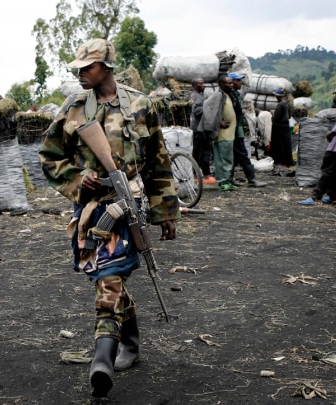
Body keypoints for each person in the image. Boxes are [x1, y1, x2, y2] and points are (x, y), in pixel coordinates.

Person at [38, 38, 179, 398]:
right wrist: (76, 177)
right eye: (79, 68)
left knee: (109, 279)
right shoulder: (73, 108)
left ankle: (103, 357)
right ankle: (128, 339)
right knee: (106, 277)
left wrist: (166, 213)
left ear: (107, 67)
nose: (81, 73)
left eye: (89, 67)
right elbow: (49, 156)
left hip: (127, 208)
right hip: (90, 211)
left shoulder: (140, 105)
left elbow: (159, 162)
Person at [198, 75, 237, 191]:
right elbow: (207, 108)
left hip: (229, 133)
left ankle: (227, 180)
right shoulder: (218, 95)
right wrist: (219, 122)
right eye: (228, 83)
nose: (231, 85)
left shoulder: (227, 95)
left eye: (231, 83)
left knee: (227, 158)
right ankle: (223, 181)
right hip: (223, 134)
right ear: (221, 84)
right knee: (223, 159)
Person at [228, 73, 266, 187]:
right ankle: (251, 179)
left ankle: (231, 179)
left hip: (236, 129)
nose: (241, 83)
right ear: (232, 82)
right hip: (233, 129)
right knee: (242, 154)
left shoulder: (235, 94)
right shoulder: (229, 95)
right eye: (238, 81)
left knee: (235, 155)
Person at [189, 77, 215, 184]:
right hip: (198, 129)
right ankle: (198, 174)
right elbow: (196, 111)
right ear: (195, 85)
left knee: (205, 152)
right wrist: (208, 106)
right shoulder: (195, 96)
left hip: (203, 129)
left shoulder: (201, 96)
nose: (203, 85)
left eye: (203, 83)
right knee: (199, 153)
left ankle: (205, 174)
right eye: (200, 84)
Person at [271, 88, 295, 169]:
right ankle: (288, 162)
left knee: (279, 145)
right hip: (285, 127)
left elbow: (275, 117)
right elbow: (289, 116)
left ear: (278, 96)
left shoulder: (280, 105)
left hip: (278, 128)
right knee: (286, 145)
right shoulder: (287, 104)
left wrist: (272, 116)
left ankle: (281, 162)